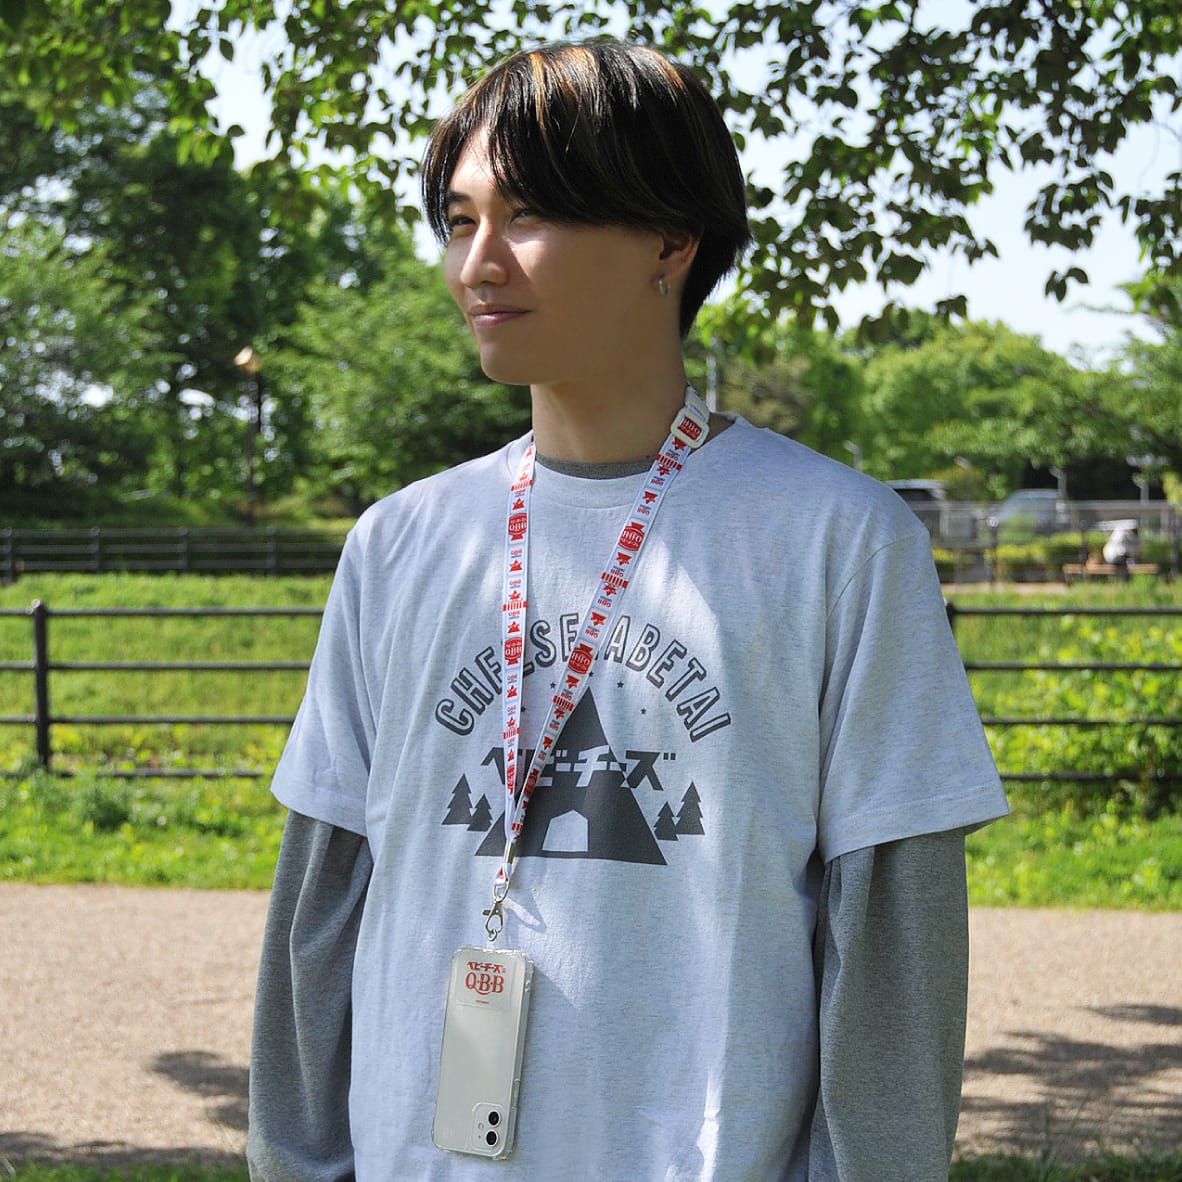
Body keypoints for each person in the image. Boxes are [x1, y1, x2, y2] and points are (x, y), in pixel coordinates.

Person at [246, 39, 1009, 1181]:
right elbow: (324, 899)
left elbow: (893, 941)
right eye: (459, 221)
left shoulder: (839, 542)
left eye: (530, 214)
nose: (478, 264)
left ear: (670, 240)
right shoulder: (400, 543)